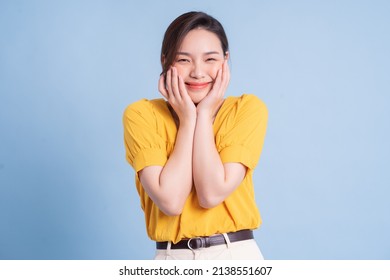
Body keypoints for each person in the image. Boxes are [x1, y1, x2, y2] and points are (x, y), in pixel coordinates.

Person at [123, 11, 268, 260]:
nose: (198, 73)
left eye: (210, 59)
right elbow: (170, 201)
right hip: (171, 258)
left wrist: (204, 114)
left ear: (225, 60)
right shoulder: (142, 114)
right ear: (165, 61)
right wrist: (189, 118)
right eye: (184, 60)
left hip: (234, 255)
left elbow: (211, 193)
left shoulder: (245, 109)